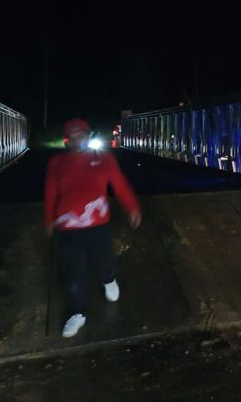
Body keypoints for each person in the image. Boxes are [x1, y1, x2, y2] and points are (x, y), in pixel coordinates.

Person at [44, 118, 141, 338]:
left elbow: (120, 185)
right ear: (67, 140)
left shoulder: (104, 159)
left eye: (82, 135)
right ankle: (77, 313)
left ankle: (108, 279)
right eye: (73, 136)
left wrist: (132, 207)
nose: (78, 139)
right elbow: (50, 193)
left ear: (88, 136)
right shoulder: (57, 163)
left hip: (98, 227)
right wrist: (49, 220)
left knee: (104, 260)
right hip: (67, 229)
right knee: (73, 274)